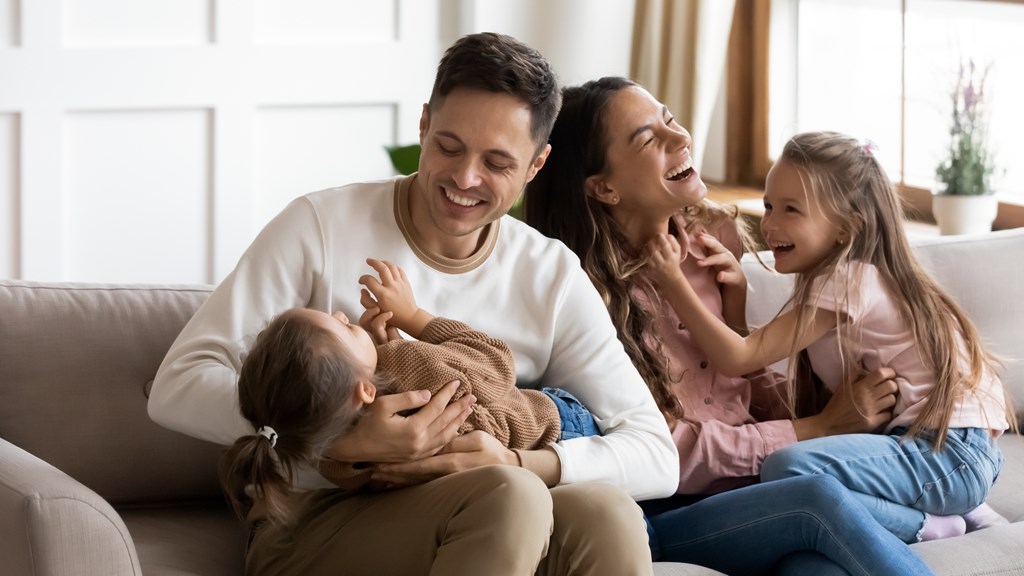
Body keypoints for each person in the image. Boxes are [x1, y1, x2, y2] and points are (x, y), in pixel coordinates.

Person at [149, 33, 677, 576]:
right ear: (423, 126)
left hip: (485, 502)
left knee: (605, 511)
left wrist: (517, 459)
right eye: (448, 146)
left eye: (497, 162)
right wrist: (344, 438)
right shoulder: (318, 227)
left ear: (536, 165)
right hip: (316, 518)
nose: (464, 178)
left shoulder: (549, 274)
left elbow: (654, 454)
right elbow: (178, 386)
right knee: (508, 495)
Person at [525, 77, 934, 575]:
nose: (680, 139)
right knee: (814, 499)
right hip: (671, 509)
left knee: (814, 569)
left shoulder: (708, 252)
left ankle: (921, 523)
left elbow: (736, 388)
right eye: (649, 139)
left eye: (670, 119)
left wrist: (740, 318)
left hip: (755, 495)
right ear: (604, 187)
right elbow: (663, 447)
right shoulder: (581, 297)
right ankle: (916, 522)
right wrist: (815, 429)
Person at [645, 130, 1014, 544]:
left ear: (845, 228)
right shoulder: (851, 278)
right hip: (948, 451)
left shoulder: (847, 279)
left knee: (786, 469)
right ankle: (952, 509)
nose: (769, 224)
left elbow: (738, 358)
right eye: (768, 205)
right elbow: (747, 361)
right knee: (795, 474)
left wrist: (672, 280)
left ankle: (927, 524)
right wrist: (737, 300)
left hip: (946, 452)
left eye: (791, 210)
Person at [220, 257, 603, 523]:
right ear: (365, 391)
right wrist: (414, 321)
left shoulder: (342, 462)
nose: (340, 314)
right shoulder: (410, 363)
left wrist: (385, 348)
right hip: (559, 424)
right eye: (344, 328)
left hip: (522, 472)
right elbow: (497, 362)